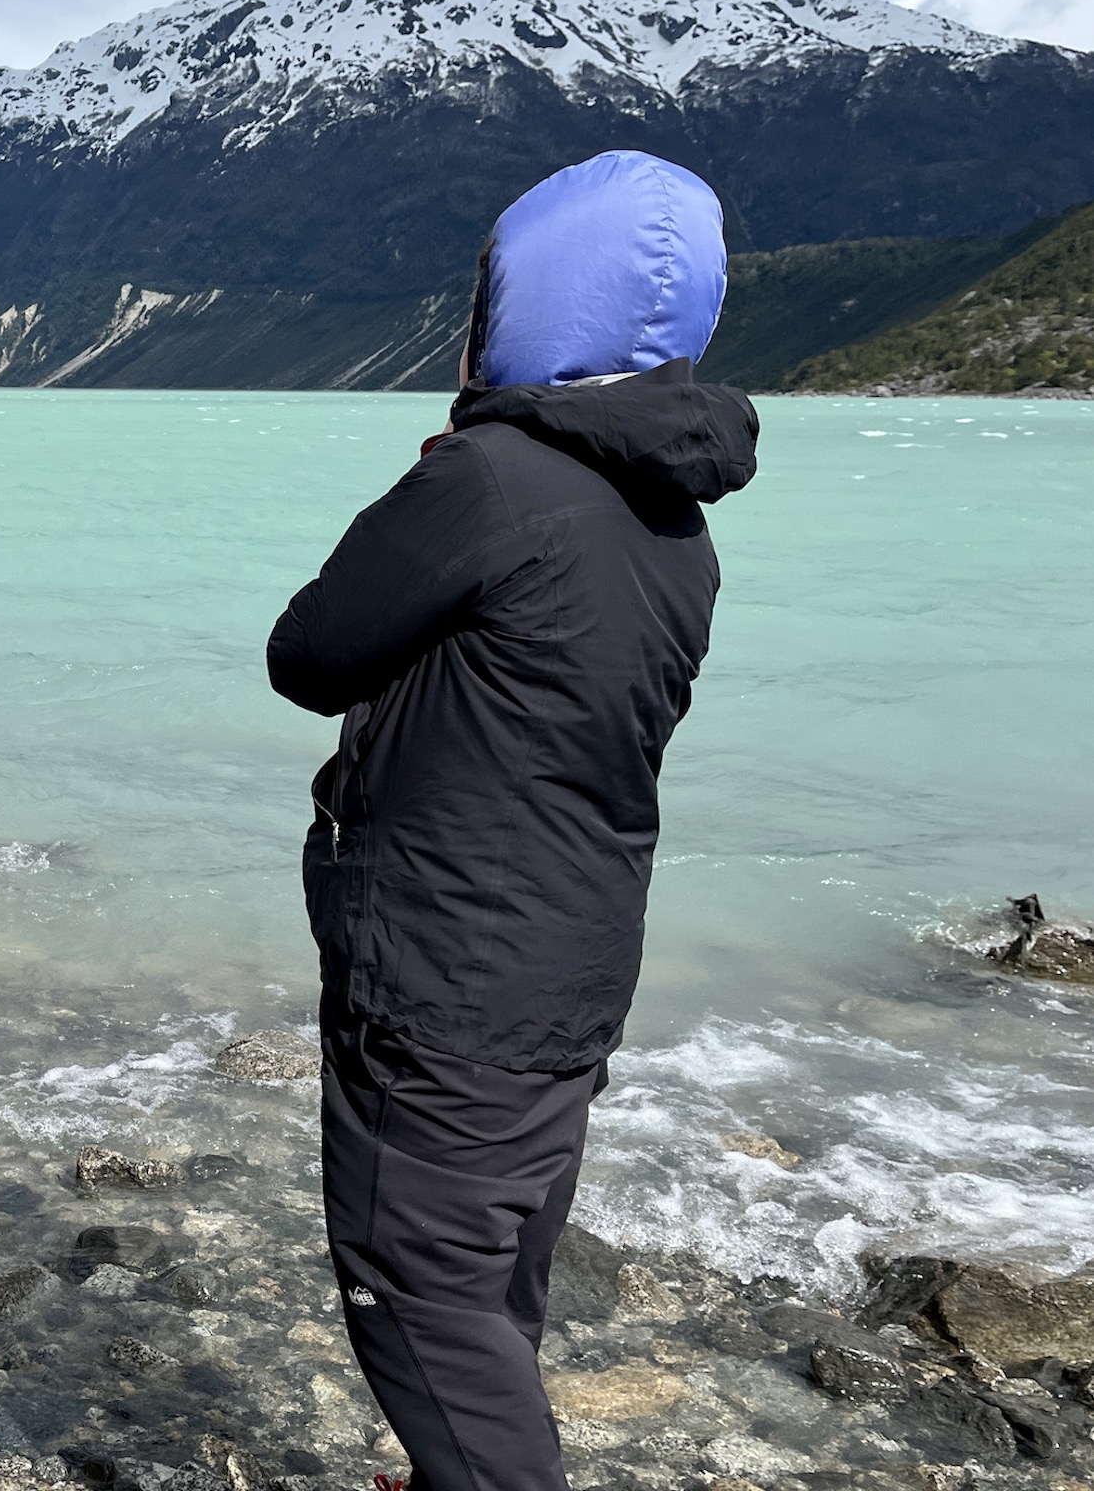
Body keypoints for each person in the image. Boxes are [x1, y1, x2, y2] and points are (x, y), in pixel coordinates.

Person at [266, 149, 760, 1491]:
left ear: (525, 304)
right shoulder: (677, 524)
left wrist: (447, 469)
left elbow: (308, 654)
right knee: (494, 1277)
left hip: (441, 972)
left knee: (415, 1299)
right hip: (571, 962)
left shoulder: (488, 485)